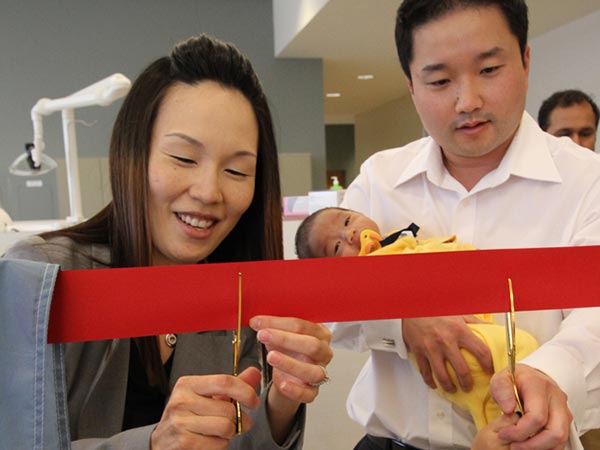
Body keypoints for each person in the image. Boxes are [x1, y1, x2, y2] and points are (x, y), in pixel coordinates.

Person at [3, 34, 333, 450]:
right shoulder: (41, 279)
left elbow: (237, 442)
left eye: (236, 171)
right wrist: (153, 443)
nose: (209, 191)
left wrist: (282, 399)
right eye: (183, 158)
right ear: (132, 154)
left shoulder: (236, 294)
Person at [329, 1, 600, 449]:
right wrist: (400, 318)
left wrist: (547, 375)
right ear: (411, 86)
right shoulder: (381, 179)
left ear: (526, 61)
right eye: (439, 81)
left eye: (490, 70)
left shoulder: (587, 181)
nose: (468, 101)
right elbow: (329, 295)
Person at [295, 206, 538, 432]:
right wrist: (401, 318)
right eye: (336, 247)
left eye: (348, 220)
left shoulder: (403, 241)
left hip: (479, 327)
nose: (350, 234)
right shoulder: (367, 273)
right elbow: (332, 311)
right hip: (441, 373)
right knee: (513, 357)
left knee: (519, 361)